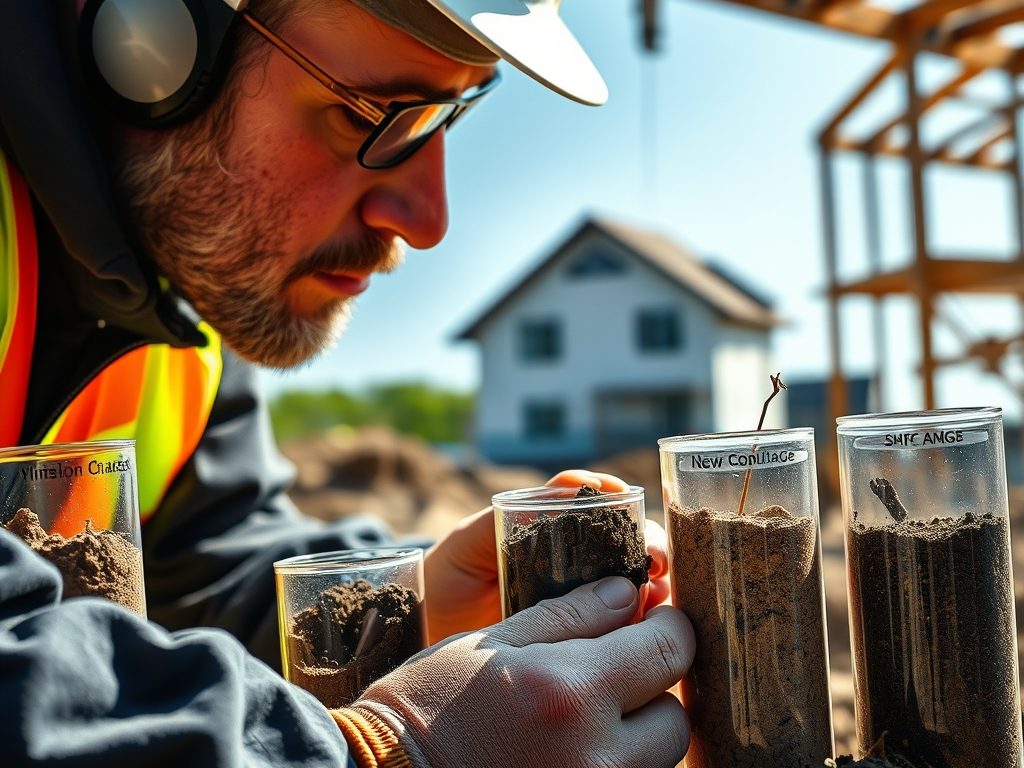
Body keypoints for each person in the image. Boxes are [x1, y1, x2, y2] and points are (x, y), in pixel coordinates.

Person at [0, 0, 696, 766]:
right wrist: (380, 752)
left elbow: (204, 578)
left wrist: (414, 611)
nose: (426, 219)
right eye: (370, 115)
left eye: (443, 121)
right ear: (148, 41)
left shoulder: (178, 310)